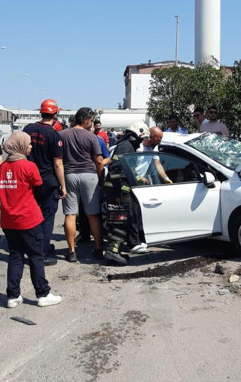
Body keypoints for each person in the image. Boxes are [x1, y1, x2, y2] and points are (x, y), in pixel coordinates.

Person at [0, 131, 62, 308]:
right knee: (36, 256)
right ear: (19, 145)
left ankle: (13, 296)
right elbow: (41, 191)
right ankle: (43, 294)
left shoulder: (3, 167)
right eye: (28, 144)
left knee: (15, 256)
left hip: (8, 221)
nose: (31, 146)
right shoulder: (29, 166)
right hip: (28, 219)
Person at [24, 99, 67, 266]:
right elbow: (58, 163)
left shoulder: (28, 129)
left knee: (32, 217)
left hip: (29, 180)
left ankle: (31, 248)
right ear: (55, 114)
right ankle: (41, 253)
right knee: (47, 217)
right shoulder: (54, 134)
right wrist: (63, 186)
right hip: (48, 181)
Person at [60, 107, 104, 262]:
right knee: (93, 214)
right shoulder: (91, 137)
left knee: (70, 214)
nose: (91, 123)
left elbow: (58, 159)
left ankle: (71, 251)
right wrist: (101, 177)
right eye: (91, 120)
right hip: (89, 176)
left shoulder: (63, 135)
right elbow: (99, 160)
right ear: (85, 119)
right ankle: (98, 248)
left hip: (69, 175)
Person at [102, 121, 150, 265]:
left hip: (119, 189)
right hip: (118, 190)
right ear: (135, 135)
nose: (141, 142)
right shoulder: (125, 146)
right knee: (121, 221)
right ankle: (113, 251)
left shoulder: (127, 146)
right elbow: (116, 170)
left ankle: (114, 252)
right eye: (141, 139)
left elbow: (127, 169)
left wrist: (138, 179)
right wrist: (120, 193)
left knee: (120, 220)